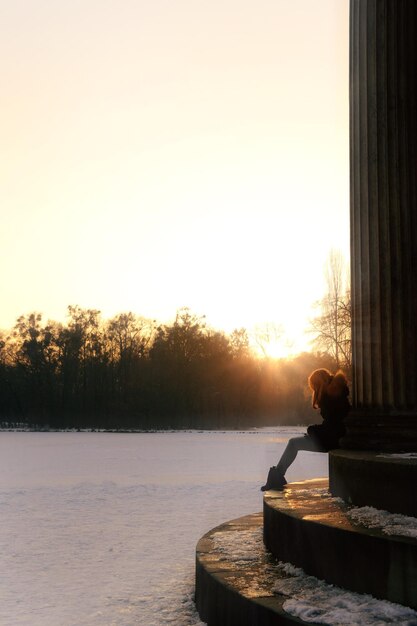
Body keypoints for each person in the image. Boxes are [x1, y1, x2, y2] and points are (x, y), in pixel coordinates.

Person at [261, 368, 350, 491]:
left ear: (319, 383)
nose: (314, 390)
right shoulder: (335, 393)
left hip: (333, 439)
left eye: (314, 386)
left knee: (293, 443)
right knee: (294, 443)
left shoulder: (331, 395)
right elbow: (332, 423)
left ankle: (276, 477)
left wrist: (312, 430)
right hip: (334, 436)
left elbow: (332, 425)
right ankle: (277, 476)